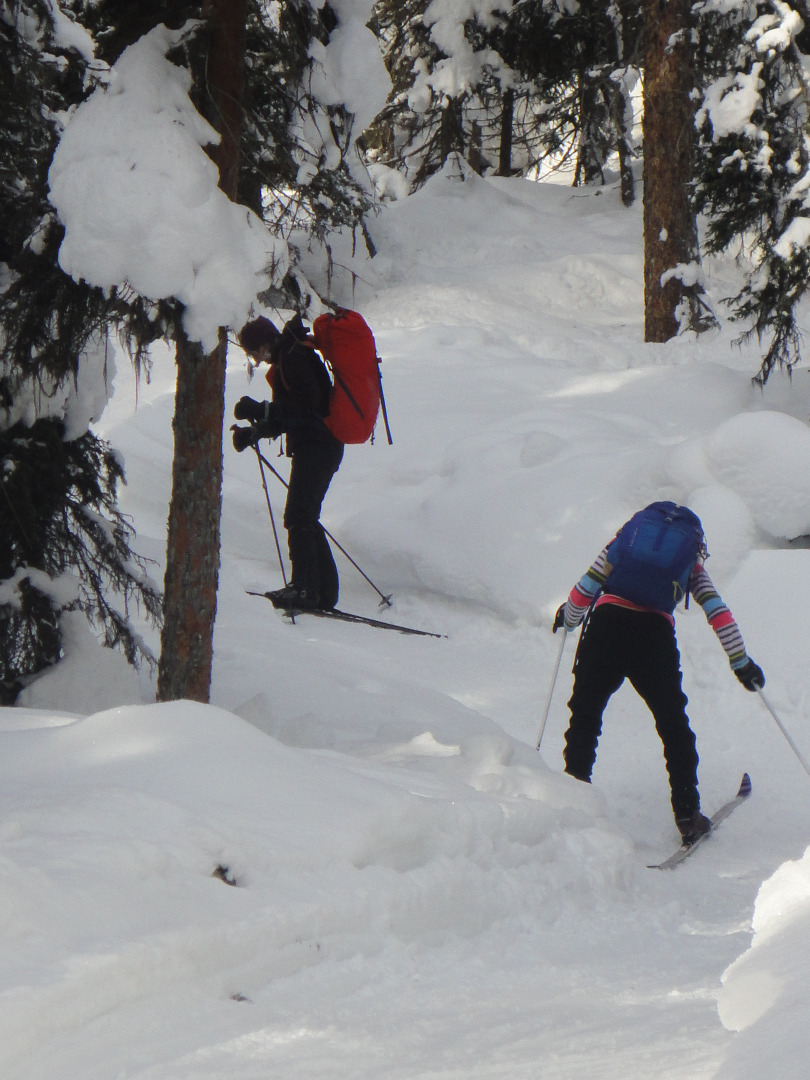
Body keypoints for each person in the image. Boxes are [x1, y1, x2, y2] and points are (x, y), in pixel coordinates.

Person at [553, 503, 764, 845]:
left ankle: (573, 799)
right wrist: (741, 663)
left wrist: (569, 618)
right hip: (654, 639)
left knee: (585, 717)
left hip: (605, 628)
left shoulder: (621, 544)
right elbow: (717, 611)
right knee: (673, 726)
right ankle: (687, 816)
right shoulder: (688, 562)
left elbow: (585, 588)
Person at [231, 313, 343, 612]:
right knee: (304, 515)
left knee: (298, 516)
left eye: (253, 352)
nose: (256, 360)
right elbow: (290, 415)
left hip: (319, 445)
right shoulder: (288, 358)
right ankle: (321, 592)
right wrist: (255, 431)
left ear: (263, 345)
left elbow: (306, 407)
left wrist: (262, 410)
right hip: (319, 445)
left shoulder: (293, 358)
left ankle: (304, 589)